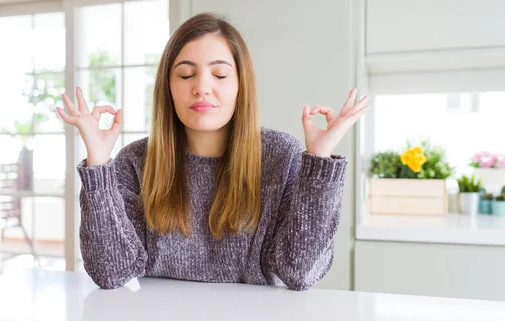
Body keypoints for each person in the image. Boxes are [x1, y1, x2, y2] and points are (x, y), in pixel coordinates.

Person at [56, 12, 370, 291]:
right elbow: (111, 273)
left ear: (240, 86)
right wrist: (98, 162)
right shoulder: (137, 160)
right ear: (168, 87)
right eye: (185, 74)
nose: (202, 87)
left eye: (219, 74)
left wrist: (320, 162)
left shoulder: (280, 154)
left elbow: (301, 274)